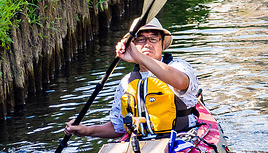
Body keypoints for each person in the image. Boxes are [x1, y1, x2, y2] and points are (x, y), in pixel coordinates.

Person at [64, 18, 200, 140]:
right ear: (133, 44)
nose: (147, 44)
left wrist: (140, 57)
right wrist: (86, 130)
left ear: (163, 44)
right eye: (141, 39)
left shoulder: (179, 66)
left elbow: (181, 82)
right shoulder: (127, 82)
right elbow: (118, 127)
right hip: (141, 143)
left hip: (182, 137)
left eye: (153, 39)